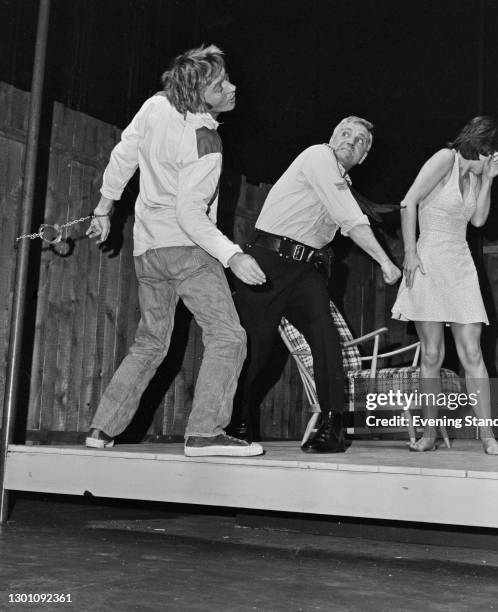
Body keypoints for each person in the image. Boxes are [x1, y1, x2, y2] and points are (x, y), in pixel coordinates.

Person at [84, 44, 265, 457]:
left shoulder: (155, 106)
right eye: (221, 85)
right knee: (228, 337)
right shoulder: (206, 139)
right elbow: (190, 213)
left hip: (147, 250)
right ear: (201, 94)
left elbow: (124, 154)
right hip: (187, 251)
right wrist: (232, 255)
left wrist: (104, 208)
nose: (232, 88)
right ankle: (204, 433)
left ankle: (101, 429)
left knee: (150, 342)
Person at [232, 117, 402, 453]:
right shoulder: (317, 157)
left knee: (326, 339)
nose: (351, 141)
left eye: (360, 141)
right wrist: (385, 261)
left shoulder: (343, 183)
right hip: (267, 261)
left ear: (364, 156)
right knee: (257, 349)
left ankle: (333, 426)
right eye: (346, 133)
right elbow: (350, 220)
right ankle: (238, 421)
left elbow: (348, 217)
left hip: (305, 269)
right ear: (332, 137)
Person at [391, 116, 498, 455]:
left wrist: (487, 181)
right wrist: (410, 253)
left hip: (459, 263)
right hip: (428, 258)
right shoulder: (445, 158)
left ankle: (488, 436)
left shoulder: (476, 175)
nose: (494, 159)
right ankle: (429, 435)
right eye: (492, 153)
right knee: (431, 353)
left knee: (472, 351)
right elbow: (408, 201)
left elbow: (477, 220)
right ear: (481, 146)